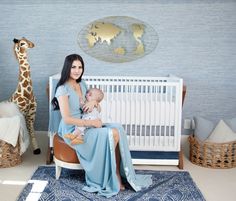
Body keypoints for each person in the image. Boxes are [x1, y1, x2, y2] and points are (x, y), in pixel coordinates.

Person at [51, 54, 152, 198]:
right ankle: (112, 176)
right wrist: (91, 123)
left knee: (118, 128)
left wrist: (95, 103)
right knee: (112, 134)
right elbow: (67, 119)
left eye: (80, 67)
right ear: (67, 67)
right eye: (74, 67)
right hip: (74, 129)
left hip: (88, 121)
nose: (77, 70)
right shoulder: (62, 89)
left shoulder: (82, 84)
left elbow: (93, 105)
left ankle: (117, 172)